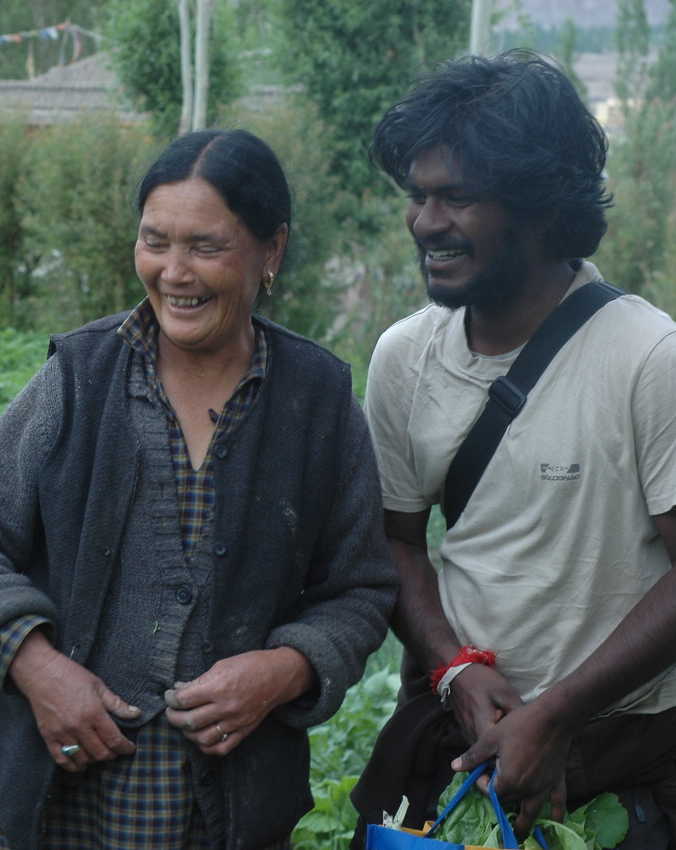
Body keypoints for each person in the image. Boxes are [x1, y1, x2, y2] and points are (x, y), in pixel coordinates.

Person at [0, 128, 397, 850]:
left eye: (205, 247)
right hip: (56, 786)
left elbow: (360, 588)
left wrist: (285, 667)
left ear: (270, 251)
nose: (174, 272)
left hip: (221, 806)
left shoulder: (318, 400)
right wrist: (37, 665)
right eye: (155, 242)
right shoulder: (80, 377)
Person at [351, 51, 676, 848]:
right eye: (417, 196)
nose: (427, 222)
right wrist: (456, 669)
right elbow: (395, 542)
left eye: (457, 197)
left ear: (537, 205)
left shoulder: (646, 355)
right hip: (453, 745)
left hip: (621, 757)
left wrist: (557, 711)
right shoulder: (404, 357)